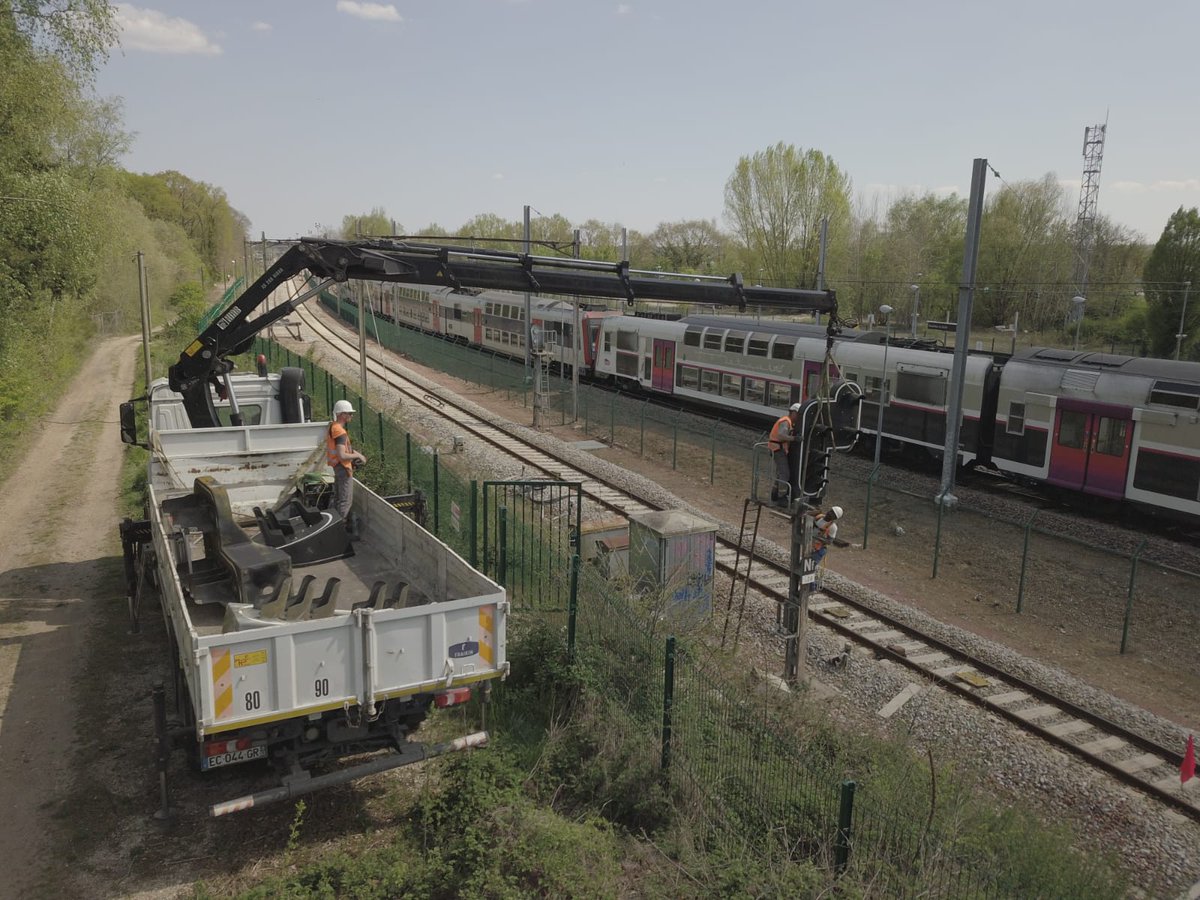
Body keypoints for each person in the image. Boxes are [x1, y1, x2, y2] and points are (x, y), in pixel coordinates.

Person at [326, 399, 367, 531]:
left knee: (339, 499)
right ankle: (339, 531)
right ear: (342, 414)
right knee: (345, 501)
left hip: (338, 468)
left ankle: (334, 528)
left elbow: (343, 449)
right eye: (349, 413)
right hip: (343, 468)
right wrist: (358, 456)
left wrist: (354, 452)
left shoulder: (333, 427)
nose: (351, 416)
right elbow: (342, 455)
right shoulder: (340, 432)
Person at [767, 403, 803, 506]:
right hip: (777, 449)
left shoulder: (788, 421)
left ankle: (774, 493)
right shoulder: (786, 422)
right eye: (798, 414)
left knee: (780, 472)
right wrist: (794, 439)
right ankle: (781, 497)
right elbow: (781, 435)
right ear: (793, 413)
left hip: (778, 449)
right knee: (785, 473)